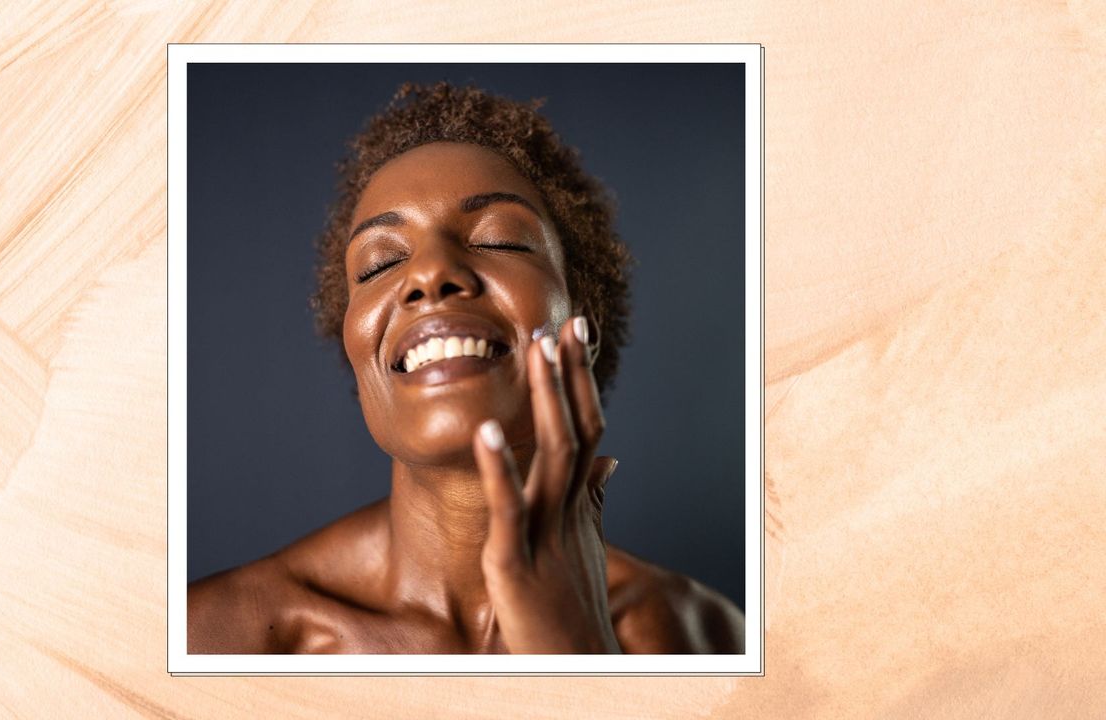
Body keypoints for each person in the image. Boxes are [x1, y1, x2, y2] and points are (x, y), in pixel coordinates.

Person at [188, 82, 744, 653]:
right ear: (360, 365)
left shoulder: (699, 637)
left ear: (584, 330)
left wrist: (573, 653)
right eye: (382, 263)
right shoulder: (211, 639)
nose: (430, 274)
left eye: (501, 241)